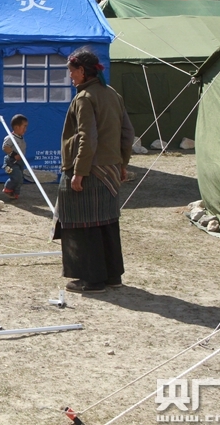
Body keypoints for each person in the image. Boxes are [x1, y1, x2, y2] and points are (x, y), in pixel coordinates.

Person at [54, 48, 134, 294]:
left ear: (81, 71)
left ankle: (93, 280)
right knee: (106, 224)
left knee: (83, 224)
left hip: (90, 170)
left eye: (71, 71)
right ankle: (112, 276)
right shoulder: (112, 94)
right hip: (109, 169)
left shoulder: (85, 98)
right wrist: (122, 164)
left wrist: (78, 172)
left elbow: (87, 138)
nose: (70, 77)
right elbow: (127, 133)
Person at [2, 114, 28, 200]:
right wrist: (14, 155)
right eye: (24, 126)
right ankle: (7, 189)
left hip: (20, 162)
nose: (25, 129)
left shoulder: (20, 137)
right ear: (16, 127)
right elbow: (5, 147)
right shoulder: (11, 137)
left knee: (20, 178)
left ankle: (15, 193)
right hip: (11, 161)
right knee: (16, 176)